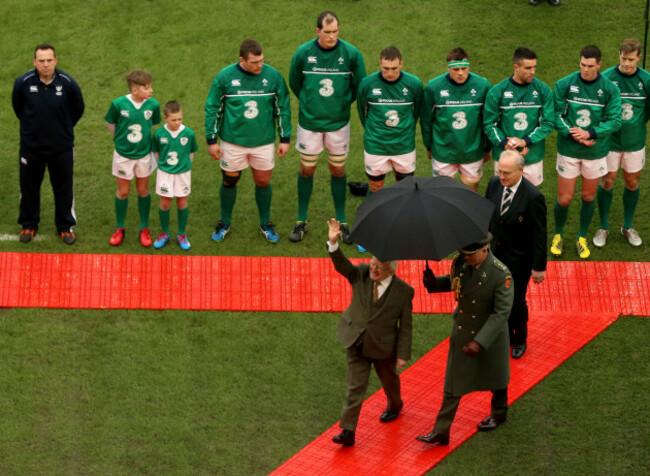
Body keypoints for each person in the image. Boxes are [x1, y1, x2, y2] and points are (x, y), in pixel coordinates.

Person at [416, 234, 514, 446]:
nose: (467, 259)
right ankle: (441, 431)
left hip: (490, 337)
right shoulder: (462, 261)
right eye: (465, 255)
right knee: (453, 381)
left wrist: (480, 342)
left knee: (496, 378)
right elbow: (456, 282)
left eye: (471, 255)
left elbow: (501, 313)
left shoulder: (500, 274)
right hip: (464, 331)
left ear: (484, 250)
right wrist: (434, 283)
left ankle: (499, 412)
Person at [327, 218, 413, 447]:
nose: (374, 269)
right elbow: (342, 266)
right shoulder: (362, 273)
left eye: (380, 268)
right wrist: (334, 244)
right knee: (355, 387)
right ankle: (348, 431)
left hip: (383, 347)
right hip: (356, 340)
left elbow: (405, 326)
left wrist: (403, 354)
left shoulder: (404, 292)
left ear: (391, 271)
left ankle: (395, 404)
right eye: (373, 264)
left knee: (389, 380)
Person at [288, 11, 366, 243]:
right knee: (307, 170)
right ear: (318, 31)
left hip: (338, 124)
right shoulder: (303, 53)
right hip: (310, 123)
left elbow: (359, 87)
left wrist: (341, 104)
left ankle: (341, 221)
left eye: (335, 32)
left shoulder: (351, 54)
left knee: (338, 170)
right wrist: (311, 103)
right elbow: (295, 83)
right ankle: (301, 220)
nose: (332, 36)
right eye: (327, 32)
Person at [205, 39, 292, 244]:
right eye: (254, 62)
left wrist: (285, 138)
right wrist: (211, 140)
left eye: (261, 60)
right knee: (229, 181)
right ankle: (224, 222)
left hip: (263, 143)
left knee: (263, 181)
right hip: (232, 143)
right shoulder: (225, 77)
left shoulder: (273, 77)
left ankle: (265, 223)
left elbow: (283, 108)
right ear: (242, 60)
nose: (260, 65)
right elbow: (213, 108)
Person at [551, 45, 622, 259]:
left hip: (595, 152)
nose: (586, 70)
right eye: (583, 65)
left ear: (599, 65)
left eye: (590, 66)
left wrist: (590, 133)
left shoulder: (609, 89)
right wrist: (575, 134)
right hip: (570, 150)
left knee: (588, 196)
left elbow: (615, 121)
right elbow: (556, 116)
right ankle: (558, 235)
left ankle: (581, 237)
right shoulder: (564, 84)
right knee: (564, 199)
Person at [12, 44, 84, 245]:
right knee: (28, 187)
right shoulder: (23, 83)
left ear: (56, 61)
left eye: (49, 60)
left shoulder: (68, 84)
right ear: (34, 62)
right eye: (41, 61)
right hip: (31, 148)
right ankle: (28, 224)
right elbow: (18, 109)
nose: (46, 65)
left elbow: (78, 109)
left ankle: (65, 226)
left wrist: (62, 129)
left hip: (61, 148)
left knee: (64, 188)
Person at [354, 46, 423, 252]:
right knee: (375, 189)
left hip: (403, 146)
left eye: (394, 68)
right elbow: (362, 112)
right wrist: (376, 133)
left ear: (401, 64)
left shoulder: (413, 84)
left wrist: (404, 132)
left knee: (404, 189)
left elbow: (416, 112)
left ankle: (399, 229)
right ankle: (370, 230)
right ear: (380, 64)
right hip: (376, 146)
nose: (390, 73)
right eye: (386, 68)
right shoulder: (367, 84)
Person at [486, 151, 547, 359]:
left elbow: (540, 234)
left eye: (507, 173)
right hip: (494, 256)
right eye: (499, 171)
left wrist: (539, 267)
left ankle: (519, 338)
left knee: (516, 301)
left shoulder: (533, 197)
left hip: (519, 260)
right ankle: (503, 336)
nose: (502, 176)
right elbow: (489, 217)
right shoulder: (494, 184)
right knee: (495, 298)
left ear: (521, 170)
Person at [594, 39, 650, 248]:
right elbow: (599, 109)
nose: (627, 63)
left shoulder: (647, 80)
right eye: (624, 58)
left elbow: (648, 110)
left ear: (638, 57)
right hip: (610, 143)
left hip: (634, 143)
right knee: (607, 181)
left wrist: (635, 127)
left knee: (632, 182)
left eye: (631, 59)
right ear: (619, 55)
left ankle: (627, 226)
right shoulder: (607, 78)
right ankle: (603, 226)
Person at [421, 47, 491, 191]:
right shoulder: (434, 87)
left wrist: (487, 147)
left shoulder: (483, 86)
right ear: (448, 68)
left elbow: (489, 120)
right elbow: (426, 121)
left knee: (471, 195)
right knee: (443, 194)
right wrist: (429, 146)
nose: (460, 73)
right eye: (456, 69)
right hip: (443, 152)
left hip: (472, 151)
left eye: (464, 68)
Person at [105, 69, 161, 247]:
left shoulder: (153, 105)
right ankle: (120, 228)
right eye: (146, 88)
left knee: (143, 191)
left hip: (144, 154)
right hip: (123, 155)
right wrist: (118, 139)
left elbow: (153, 124)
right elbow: (110, 122)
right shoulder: (118, 104)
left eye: (150, 87)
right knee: (123, 192)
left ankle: (144, 228)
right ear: (134, 91)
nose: (151, 91)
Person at [484, 47, 555, 186]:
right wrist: (505, 144)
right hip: (504, 158)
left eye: (534, 67)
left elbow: (548, 123)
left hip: (531, 156)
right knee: (504, 199)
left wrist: (525, 141)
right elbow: (489, 124)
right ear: (516, 67)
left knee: (531, 200)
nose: (532, 72)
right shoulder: (497, 92)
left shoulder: (543, 90)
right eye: (528, 68)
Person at [151, 101, 198, 251]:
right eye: (173, 119)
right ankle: (164, 233)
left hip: (183, 173)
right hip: (165, 173)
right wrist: (163, 167)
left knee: (182, 202)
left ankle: (181, 234)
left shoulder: (189, 133)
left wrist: (185, 167)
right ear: (165, 117)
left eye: (179, 119)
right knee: (165, 203)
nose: (177, 122)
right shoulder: (158, 134)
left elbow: (191, 153)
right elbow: (156, 153)